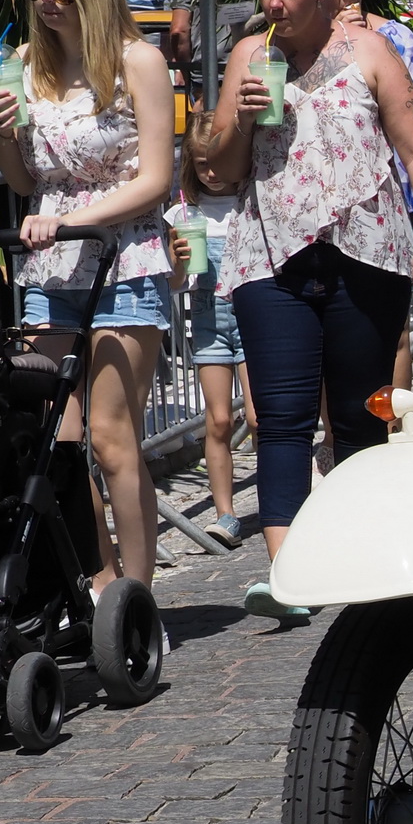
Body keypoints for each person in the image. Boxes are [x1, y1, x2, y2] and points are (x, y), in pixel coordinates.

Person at [209, 0, 413, 620]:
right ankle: (286, 574)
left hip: (365, 251)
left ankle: (364, 556)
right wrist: (241, 121)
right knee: (280, 418)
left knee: (359, 415)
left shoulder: (370, 51)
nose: (274, 1)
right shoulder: (249, 56)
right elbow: (220, 168)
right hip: (271, 253)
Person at [0, 0, 175, 597]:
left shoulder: (138, 61)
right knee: (56, 444)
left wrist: (71, 221)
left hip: (124, 261)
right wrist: (4, 134)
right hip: (50, 270)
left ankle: (136, 600)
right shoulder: (26, 66)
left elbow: (157, 178)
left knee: (112, 438)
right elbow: (22, 181)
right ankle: (99, 583)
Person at [335, 0, 413, 404]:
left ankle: (393, 427)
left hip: (392, 202)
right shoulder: (289, 42)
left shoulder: (395, 37)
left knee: (392, 328)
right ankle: (337, 434)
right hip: (326, 206)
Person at [165, 112, 254, 549]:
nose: (212, 173)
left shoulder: (249, 201)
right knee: (217, 420)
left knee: (258, 417)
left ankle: (280, 502)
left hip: (252, 318)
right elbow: (176, 282)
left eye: (217, 162)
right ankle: (225, 514)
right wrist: (180, 260)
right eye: (202, 164)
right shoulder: (184, 212)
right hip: (208, 322)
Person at [166, 0, 254, 107]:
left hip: (202, 74)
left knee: (205, 117)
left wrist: (187, 72)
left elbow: (179, 30)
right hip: (247, 70)